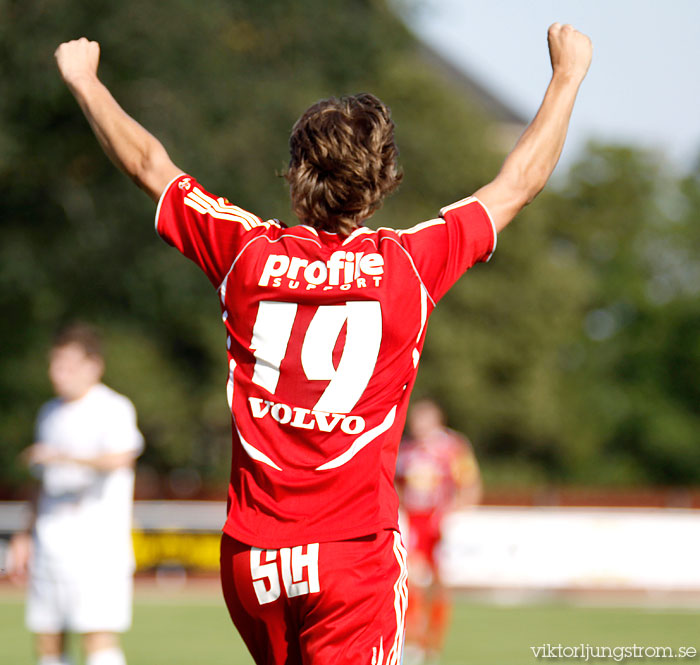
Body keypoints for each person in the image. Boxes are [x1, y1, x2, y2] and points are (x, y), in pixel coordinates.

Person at [53, 23, 591, 665]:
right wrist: (566, 77)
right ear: (384, 176)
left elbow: (149, 165)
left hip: (255, 560)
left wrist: (86, 82)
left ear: (295, 173)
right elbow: (517, 185)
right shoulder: (407, 267)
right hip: (351, 554)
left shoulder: (245, 256)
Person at [7, 324, 143, 665]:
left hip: (97, 545)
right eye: (54, 364)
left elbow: (122, 456)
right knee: (47, 637)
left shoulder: (113, 407)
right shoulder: (49, 412)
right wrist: (25, 534)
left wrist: (63, 457)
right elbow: (41, 483)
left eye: (66, 364)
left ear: (92, 366)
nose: (57, 373)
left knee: (97, 637)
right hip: (51, 542)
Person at [396, 399, 482, 665]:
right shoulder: (406, 449)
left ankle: (433, 644)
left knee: (439, 585)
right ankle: (413, 643)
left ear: (437, 420)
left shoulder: (452, 448)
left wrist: (451, 514)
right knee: (411, 581)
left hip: (439, 521)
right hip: (414, 521)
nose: (418, 424)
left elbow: (471, 486)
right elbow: (395, 484)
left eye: (424, 419)